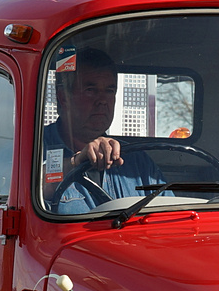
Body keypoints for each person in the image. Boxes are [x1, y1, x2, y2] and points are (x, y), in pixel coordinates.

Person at [44, 47, 164, 213]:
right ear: (63, 97)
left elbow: (168, 216)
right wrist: (76, 163)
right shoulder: (32, 148)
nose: (102, 100)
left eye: (109, 91)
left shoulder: (138, 163)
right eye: (90, 90)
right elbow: (27, 189)